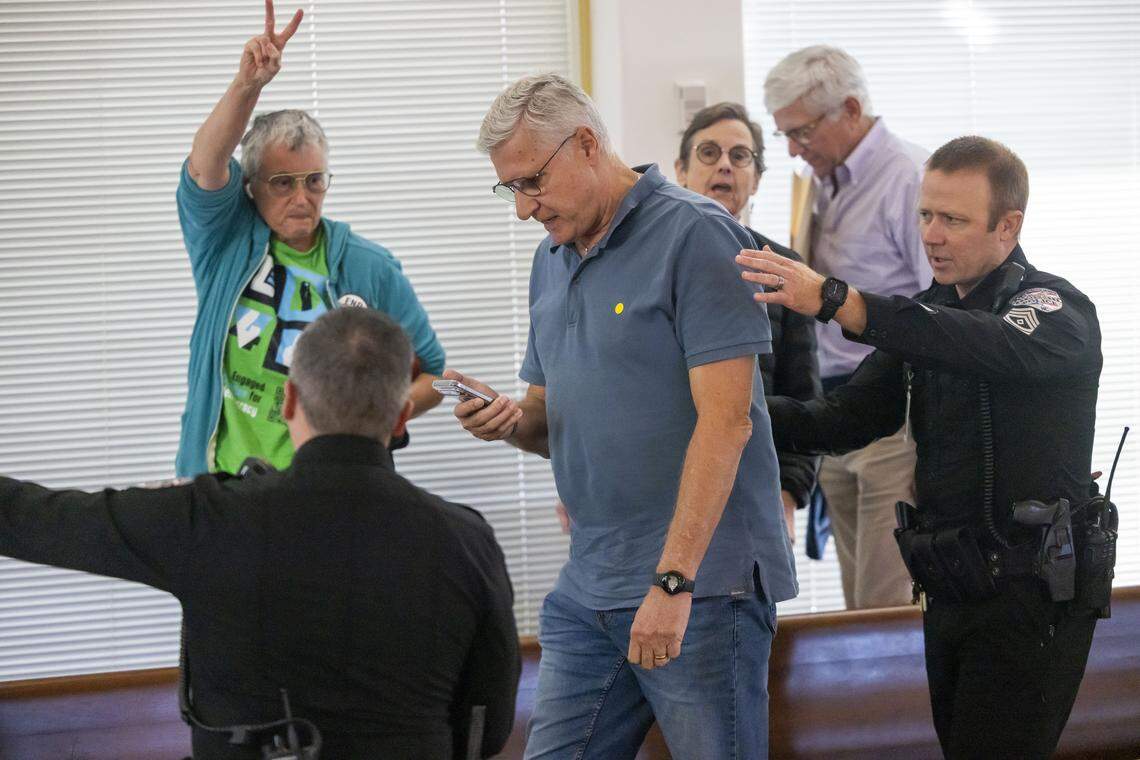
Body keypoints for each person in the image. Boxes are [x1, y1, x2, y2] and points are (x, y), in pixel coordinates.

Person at [448, 73, 797, 759]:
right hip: (591, 585)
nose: (523, 209)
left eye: (531, 182)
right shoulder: (551, 260)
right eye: (511, 189)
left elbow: (728, 424)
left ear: (585, 144)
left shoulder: (697, 236)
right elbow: (549, 422)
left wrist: (674, 581)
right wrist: (508, 420)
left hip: (702, 585)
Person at [0, 308, 519, 759]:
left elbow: (29, 519)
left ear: (289, 400)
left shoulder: (205, 519)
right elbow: (489, 725)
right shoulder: (468, 541)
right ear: (403, 415)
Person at [738, 136, 1103, 758]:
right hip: (953, 587)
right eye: (926, 215)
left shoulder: (1053, 309)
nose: (931, 235)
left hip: (1030, 597)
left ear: (1007, 226)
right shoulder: (927, 315)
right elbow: (841, 420)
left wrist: (836, 300)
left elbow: (980, 343)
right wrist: (729, 413)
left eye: (953, 220)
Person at [175, 0, 444, 477]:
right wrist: (248, 84)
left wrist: (375, 416)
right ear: (251, 187)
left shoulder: (369, 266)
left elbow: (433, 373)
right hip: (222, 483)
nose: (302, 197)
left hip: (329, 489)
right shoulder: (225, 243)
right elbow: (205, 161)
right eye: (283, 182)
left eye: (314, 180)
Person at [762, 44, 932, 609]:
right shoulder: (823, 182)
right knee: (857, 604)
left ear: (851, 109)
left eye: (802, 132)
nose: (792, 148)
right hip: (833, 411)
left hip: (892, 413)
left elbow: (944, 310)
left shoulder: (909, 179)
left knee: (889, 603)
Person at [674, 101, 821, 543]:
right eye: (709, 153)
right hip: (662, 492)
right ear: (681, 170)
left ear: (756, 178)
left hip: (753, 496)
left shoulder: (786, 271)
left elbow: (803, 399)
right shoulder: (646, 265)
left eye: (740, 157)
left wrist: (790, 495)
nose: (724, 166)